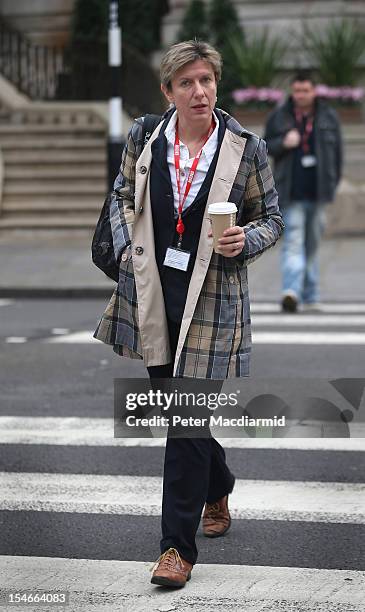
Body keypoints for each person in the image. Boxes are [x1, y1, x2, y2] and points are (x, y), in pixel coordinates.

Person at [93, 40, 283, 588]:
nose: (198, 91)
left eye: (206, 80)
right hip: (153, 296)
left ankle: (176, 550)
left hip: (213, 303)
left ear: (215, 84)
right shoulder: (145, 137)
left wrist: (246, 240)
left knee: (184, 422)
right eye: (186, 83)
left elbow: (273, 217)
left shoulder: (246, 148)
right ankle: (218, 483)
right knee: (184, 417)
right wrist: (129, 245)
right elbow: (122, 194)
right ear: (168, 91)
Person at [264, 71, 343, 313]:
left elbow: (338, 155)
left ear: (314, 91)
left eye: (305, 90)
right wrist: (283, 143)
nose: (300, 95)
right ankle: (292, 291)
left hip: (318, 192)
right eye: (297, 91)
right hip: (291, 192)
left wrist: (333, 182)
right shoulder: (280, 116)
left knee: (312, 245)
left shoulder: (328, 116)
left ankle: (310, 294)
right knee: (294, 243)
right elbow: (265, 146)